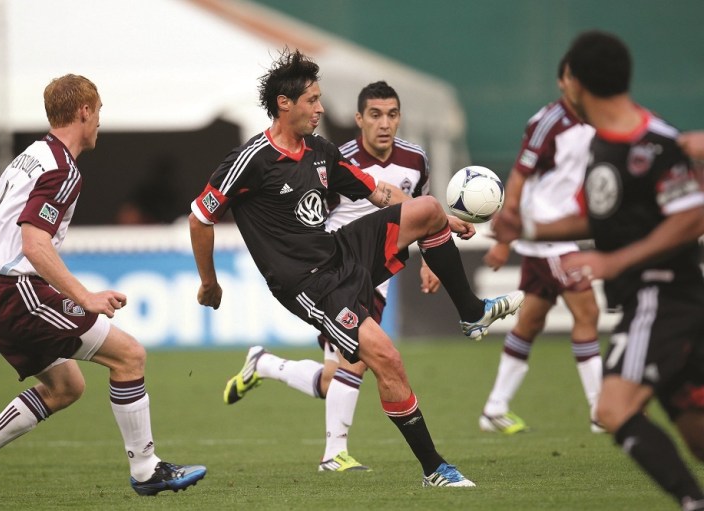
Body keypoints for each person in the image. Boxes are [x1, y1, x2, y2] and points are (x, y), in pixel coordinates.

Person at [189, 48, 523, 487]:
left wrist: (444, 216)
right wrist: (209, 283)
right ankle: (434, 469)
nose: (321, 108)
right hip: (309, 283)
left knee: (425, 208)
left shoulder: (321, 151)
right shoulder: (250, 160)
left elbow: (379, 193)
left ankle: (471, 312)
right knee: (386, 359)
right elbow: (200, 216)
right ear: (285, 103)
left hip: (340, 251)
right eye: (312, 100)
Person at [0, 74, 206, 500]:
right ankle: (146, 468)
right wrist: (84, 296)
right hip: (18, 293)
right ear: (84, 111)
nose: (99, 121)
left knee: (68, 387)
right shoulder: (63, 168)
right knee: (130, 355)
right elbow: (34, 241)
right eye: (98, 111)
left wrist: (3, 274)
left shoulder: (27, 157)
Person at [494, 31, 704, 510]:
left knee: (612, 409)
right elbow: (596, 216)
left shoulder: (654, 144)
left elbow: (692, 216)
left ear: (578, 84)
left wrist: (613, 261)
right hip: (652, 299)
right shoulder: (602, 147)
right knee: (696, 436)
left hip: (663, 295)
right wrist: (523, 224)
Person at [221, 81, 445, 472]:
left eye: (392, 114)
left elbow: (411, 208)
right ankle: (334, 453)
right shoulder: (329, 155)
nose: (384, 123)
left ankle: (265, 365)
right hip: (336, 271)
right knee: (358, 363)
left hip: (376, 272)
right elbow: (307, 212)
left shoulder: (415, 160)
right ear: (359, 119)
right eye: (375, 114)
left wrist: (435, 248)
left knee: (335, 378)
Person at [480, 57, 603, 434]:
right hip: (549, 241)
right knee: (588, 313)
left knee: (531, 321)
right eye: (572, 77)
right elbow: (520, 174)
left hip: (560, 237)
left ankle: (494, 408)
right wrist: (505, 238)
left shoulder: (597, 119)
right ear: (562, 81)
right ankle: (601, 411)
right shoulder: (549, 121)